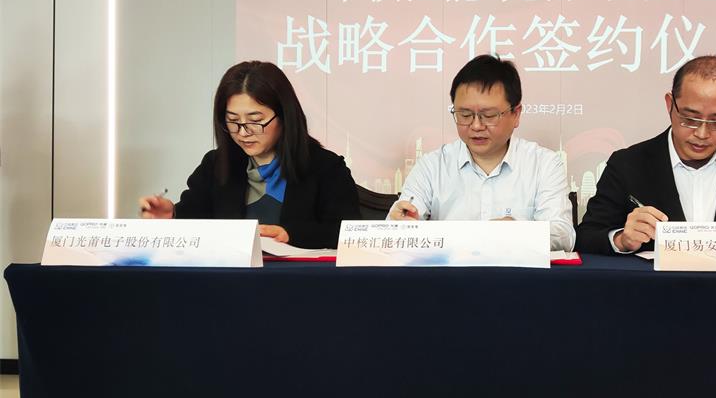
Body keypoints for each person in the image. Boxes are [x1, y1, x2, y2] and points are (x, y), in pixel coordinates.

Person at [576, 55, 716, 255]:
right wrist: (621, 239)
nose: (702, 133)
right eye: (690, 119)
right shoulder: (628, 164)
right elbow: (586, 238)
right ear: (670, 104)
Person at [139, 61, 361, 248]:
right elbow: (195, 220)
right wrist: (171, 216)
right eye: (233, 121)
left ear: (284, 115)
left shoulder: (326, 167)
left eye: (255, 121)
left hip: (298, 281)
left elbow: (347, 233)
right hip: (228, 282)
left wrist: (292, 235)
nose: (243, 132)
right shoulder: (216, 164)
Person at [388, 55, 575, 251]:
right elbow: (398, 229)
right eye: (465, 115)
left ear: (516, 114)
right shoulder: (432, 166)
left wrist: (519, 232)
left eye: (489, 115)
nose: (476, 126)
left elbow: (563, 236)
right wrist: (399, 224)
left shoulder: (544, 164)